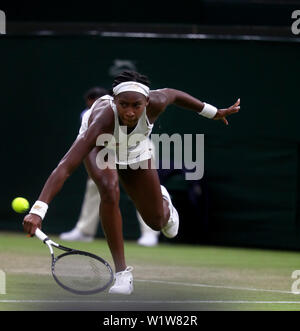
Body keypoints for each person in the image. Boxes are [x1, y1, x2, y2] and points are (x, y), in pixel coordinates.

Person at [23, 70, 240, 295]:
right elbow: (66, 166)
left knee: (157, 223)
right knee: (108, 190)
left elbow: (174, 95)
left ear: (147, 102)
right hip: (101, 147)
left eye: (136, 105)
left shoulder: (157, 101)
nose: (129, 112)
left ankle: (164, 202)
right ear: (114, 101)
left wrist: (212, 112)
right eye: (123, 105)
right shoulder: (102, 120)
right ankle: (122, 274)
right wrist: (38, 210)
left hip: (135, 149)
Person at [60, 87, 160, 246]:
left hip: (136, 148)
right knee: (94, 185)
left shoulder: (124, 110)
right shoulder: (88, 115)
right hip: (106, 150)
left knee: (142, 189)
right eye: (91, 104)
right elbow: (89, 143)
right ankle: (85, 231)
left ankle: (150, 234)